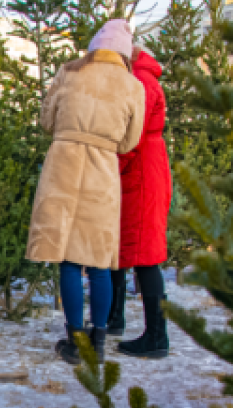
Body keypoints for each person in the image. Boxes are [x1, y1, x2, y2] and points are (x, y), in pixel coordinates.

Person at [25, 19, 145, 364]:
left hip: (62, 166)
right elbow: (129, 141)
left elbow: (47, 121)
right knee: (99, 261)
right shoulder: (131, 85)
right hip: (102, 171)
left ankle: (74, 341)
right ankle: (100, 340)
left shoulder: (69, 72)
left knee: (68, 258)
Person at [107, 45, 172, 359]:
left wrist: (110, 168)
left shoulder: (142, 81)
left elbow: (133, 135)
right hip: (140, 169)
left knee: (146, 255)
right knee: (120, 247)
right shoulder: (139, 76)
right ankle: (114, 317)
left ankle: (157, 336)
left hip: (142, 171)